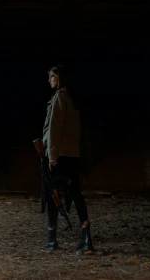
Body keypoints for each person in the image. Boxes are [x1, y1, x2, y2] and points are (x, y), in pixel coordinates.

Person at [41, 65, 94, 254]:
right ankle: (86, 237)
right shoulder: (73, 98)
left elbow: (54, 129)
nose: (49, 80)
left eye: (52, 76)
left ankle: (51, 239)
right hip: (72, 154)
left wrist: (52, 155)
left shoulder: (60, 97)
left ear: (60, 78)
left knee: (52, 195)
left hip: (59, 155)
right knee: (75, 193)